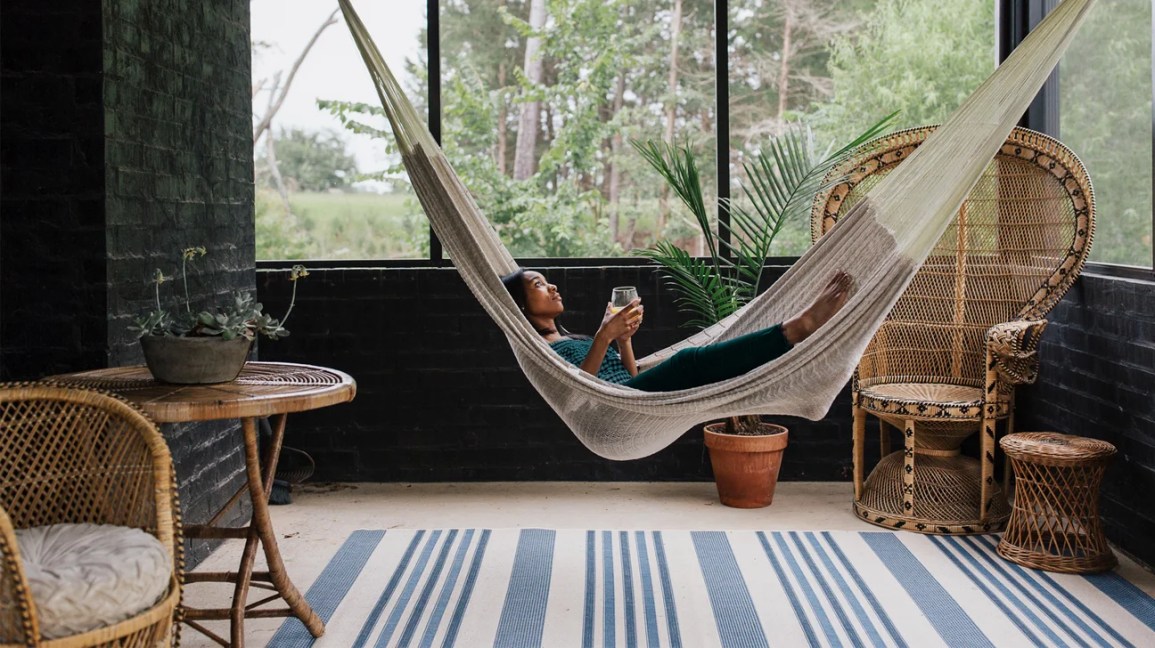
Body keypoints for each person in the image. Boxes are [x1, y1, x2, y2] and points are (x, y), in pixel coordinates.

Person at [500, 268, 853, 392]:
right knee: (687, 361)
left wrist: (623, 341)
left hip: (629, 393)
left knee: (694, 363)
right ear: (519, 303)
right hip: (615, 403)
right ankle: (795, 329)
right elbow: (581, 390)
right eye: (538, 285)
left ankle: (791, 331)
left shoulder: (571, 340)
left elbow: (629, 375)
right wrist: (605, 335)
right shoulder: (542, 352)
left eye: (548, 282)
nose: (553, 287)